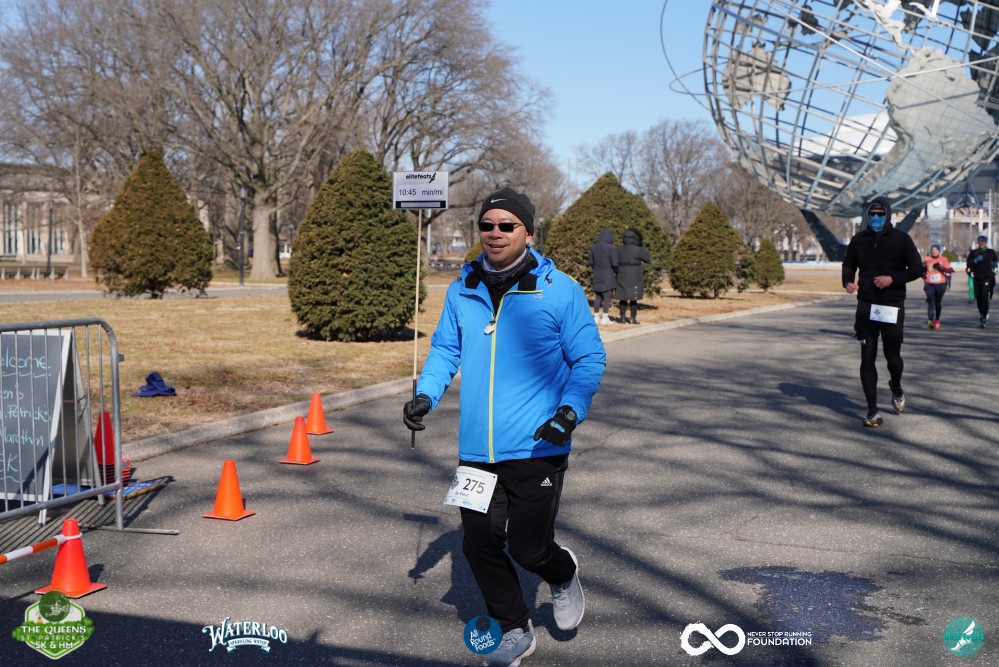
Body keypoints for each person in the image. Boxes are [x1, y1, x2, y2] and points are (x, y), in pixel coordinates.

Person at [403, 187, 606, 667]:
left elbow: (588, 358)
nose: (495, 233)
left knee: (530, 550)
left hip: (539, 444)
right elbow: (446, 349)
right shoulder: (463, 287)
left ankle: (561, 572)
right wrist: (426, 394)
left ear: (528, 233)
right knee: (479, 545)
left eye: (507, 225)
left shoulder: (559, 289)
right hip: (477, 448)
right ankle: (514, 627)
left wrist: (569, 412)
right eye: (487, 225)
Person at [842, 196, 923, 428]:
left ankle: (896, 386)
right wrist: (847, 281)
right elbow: (849, 264)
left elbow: (917, 269)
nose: (876, 218)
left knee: (892, 358)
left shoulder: (901, 239)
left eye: (880, 215)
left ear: (888, 215)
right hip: (866, 305)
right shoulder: (858, 240)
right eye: (872, 214)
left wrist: (892, 279)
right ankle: (872, 410)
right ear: (867, 216)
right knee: (867, 356)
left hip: (891, 306)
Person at [615, 228, 650, 324]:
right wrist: (642, 246)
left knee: (622, 297)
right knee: (633, 298)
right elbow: (647, 259)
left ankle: (622, 317)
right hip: (635, 274)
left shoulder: (618, 249)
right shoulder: (638, 249)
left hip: (622, 274)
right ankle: (632, 318)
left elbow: (614, 262)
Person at [966, 235, 998, 328]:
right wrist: (975, 261)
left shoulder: (991, 252)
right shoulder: (974, 252)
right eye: (980, 241)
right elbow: (968, 263)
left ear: (986, 242)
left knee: (984, 296)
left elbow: (995, 260)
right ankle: (982, 313)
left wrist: (995, 267)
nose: (982, 243)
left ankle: (983, 318)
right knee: (978, 297)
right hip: (977, 277)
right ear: (978, 242)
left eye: (983, 241)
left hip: (987, 277)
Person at [589, 228, 618, 324]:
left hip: (597, 274)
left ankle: (596, 317)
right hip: (608, 275)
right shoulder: (611, 248)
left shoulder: (593, 247)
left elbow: (591, 262)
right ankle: (605, 318)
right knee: (607, 297)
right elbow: (615, 263)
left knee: (598, 296)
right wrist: (616, 271)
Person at [922, 244, 953, 329]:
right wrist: (922, 273)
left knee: (937, 303)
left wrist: (941, 268)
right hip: (929, 283)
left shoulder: (943, 259)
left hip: (940, 284)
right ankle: (930, 320)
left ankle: (937, 319)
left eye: (936, 250)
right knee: (931, 302)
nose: (934, 251)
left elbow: (949, 270)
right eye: (933, 250)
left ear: (939, 251)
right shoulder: (927, 259)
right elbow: (923, 268)